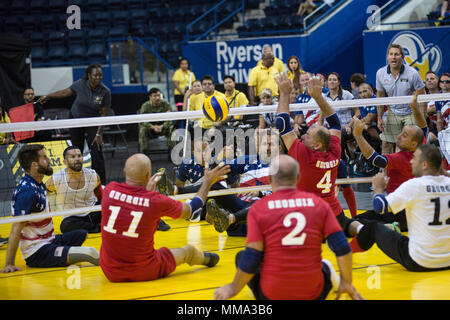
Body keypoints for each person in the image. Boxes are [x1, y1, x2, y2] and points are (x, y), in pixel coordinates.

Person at [214, 154, 363, 300]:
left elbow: (252, 256)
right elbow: (342, 247)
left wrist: (233, 288)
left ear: (270, 179)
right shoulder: (319, 204)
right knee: (325, 264)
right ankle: (339, 284)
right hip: (314, 293)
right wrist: (347, 282)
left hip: (272, 295)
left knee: (242, 257)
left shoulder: (258, 208)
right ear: (298, 178)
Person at [99, 153, 230, 282]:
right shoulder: (155, 201)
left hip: (109, 271)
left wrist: (146, 192)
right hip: (143, 270)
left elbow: (131, 203)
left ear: (124, 172)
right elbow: (193, 210)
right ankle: (209, 259)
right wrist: (207, 182)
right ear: (148, 175)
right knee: (188, 251)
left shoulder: (110, 190)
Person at [274, 73, 355, 234]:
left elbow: (282, 125)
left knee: (268, 211)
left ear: (317, 145)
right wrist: (318, 97)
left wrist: (284, 94)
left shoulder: (304, 156)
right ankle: (359, 226)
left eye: (308, 136)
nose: (303, 135)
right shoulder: (334, 151)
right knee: (346, 224)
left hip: (310, 218)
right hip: (334, 214)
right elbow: (335, 122)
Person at [1, 144, 99, 273]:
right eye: (45, 158)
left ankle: (60, 252)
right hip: (37, 251)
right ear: (35, 165)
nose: (49, 160)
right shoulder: (28, 192)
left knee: (81, 234)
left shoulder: (38, 183)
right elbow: (15, 228)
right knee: (91, 253)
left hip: (49, 239)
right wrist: (9, 263)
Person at [353, 144, 450, 272]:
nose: (411, 161)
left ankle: (343, 251)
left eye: (415, 158)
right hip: (447, 261)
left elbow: (380, 206)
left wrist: (378, 188)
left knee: (373, 228)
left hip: (420, 261)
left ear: (425, 165)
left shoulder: (414, 185)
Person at [350, 93, 428, 231]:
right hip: (416, 210)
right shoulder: (422, 148)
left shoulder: (403, 158)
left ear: (413, 144)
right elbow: (423, 128)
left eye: (404, 136)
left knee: (356, 222)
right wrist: (415, 109)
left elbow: (375, 159)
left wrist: (358, 135)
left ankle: (392, 226)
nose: (398, 136)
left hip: (397, 211)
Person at [37, 64, 110, 184]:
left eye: (100, 75)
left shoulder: (105, 91)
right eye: (96, 75)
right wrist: (49, 96)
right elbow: (64, 92)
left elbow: (103, 115)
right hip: (76, 119)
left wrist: (98, 134)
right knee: (76, 150)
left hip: (93, 121)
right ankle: (76, 179)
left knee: (97, 149)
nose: (98, 77)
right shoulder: (80, 84)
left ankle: (100, 183)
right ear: (89, 75)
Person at [375, 44, 427, 154]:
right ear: (388, 57)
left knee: (407, 144)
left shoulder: (412, 73)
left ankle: (410, 169)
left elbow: (422, 95)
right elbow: (380, 96)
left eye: (396, 54)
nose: (393, 57)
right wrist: (379, 117)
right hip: (393, 111)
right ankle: (385, 171)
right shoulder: (380, 73)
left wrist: (422, 116)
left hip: (410, 111)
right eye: (391, 54)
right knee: (386, 143)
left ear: (402, 57)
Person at [46, 146, 103, 234]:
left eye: (79, 156)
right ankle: (98, 227)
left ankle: (92, 227)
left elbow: (100, 196)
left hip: (92, 212)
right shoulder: (56, 179)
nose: (77, 159)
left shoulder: (92, 174)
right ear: (65, 162)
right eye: (73, 157)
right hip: (73, 217)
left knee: (111, 206)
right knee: (65, 226)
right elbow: (43, 196)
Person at [138, 87, 174, 154]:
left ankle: (171, 151)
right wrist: (152, 127)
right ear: (150, 97)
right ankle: (144, 152)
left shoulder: (166, 105)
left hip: (163, 128)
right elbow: (142, 121)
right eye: (155, 96)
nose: (157, 98)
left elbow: (170, 119)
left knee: (171, 128)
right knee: (142, 130)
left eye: (159, 95)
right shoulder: (145, 106)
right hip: (150, 129)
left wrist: (162, 126)